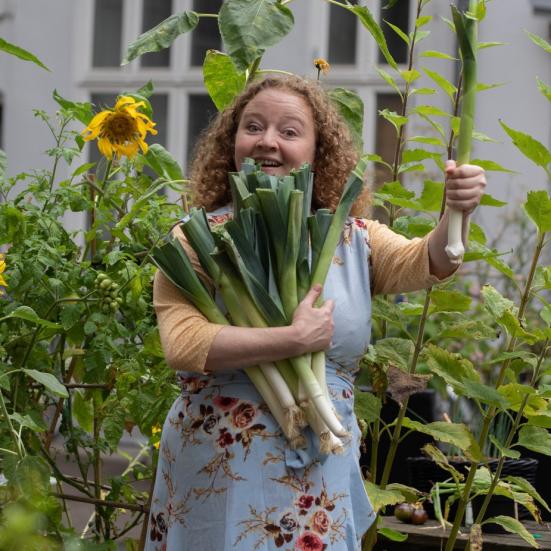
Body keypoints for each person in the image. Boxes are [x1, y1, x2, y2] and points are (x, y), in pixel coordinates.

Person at [146, 75, 486, 550]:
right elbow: (183, 345)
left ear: (316, 150)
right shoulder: (195, 240)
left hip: (318, 463)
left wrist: (457, 211)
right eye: (253, 127)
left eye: (289, 131)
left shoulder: (353, 238)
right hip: (218, 470)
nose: (268, 141)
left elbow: (431, 261)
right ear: (232, 142)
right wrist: (293, 339)